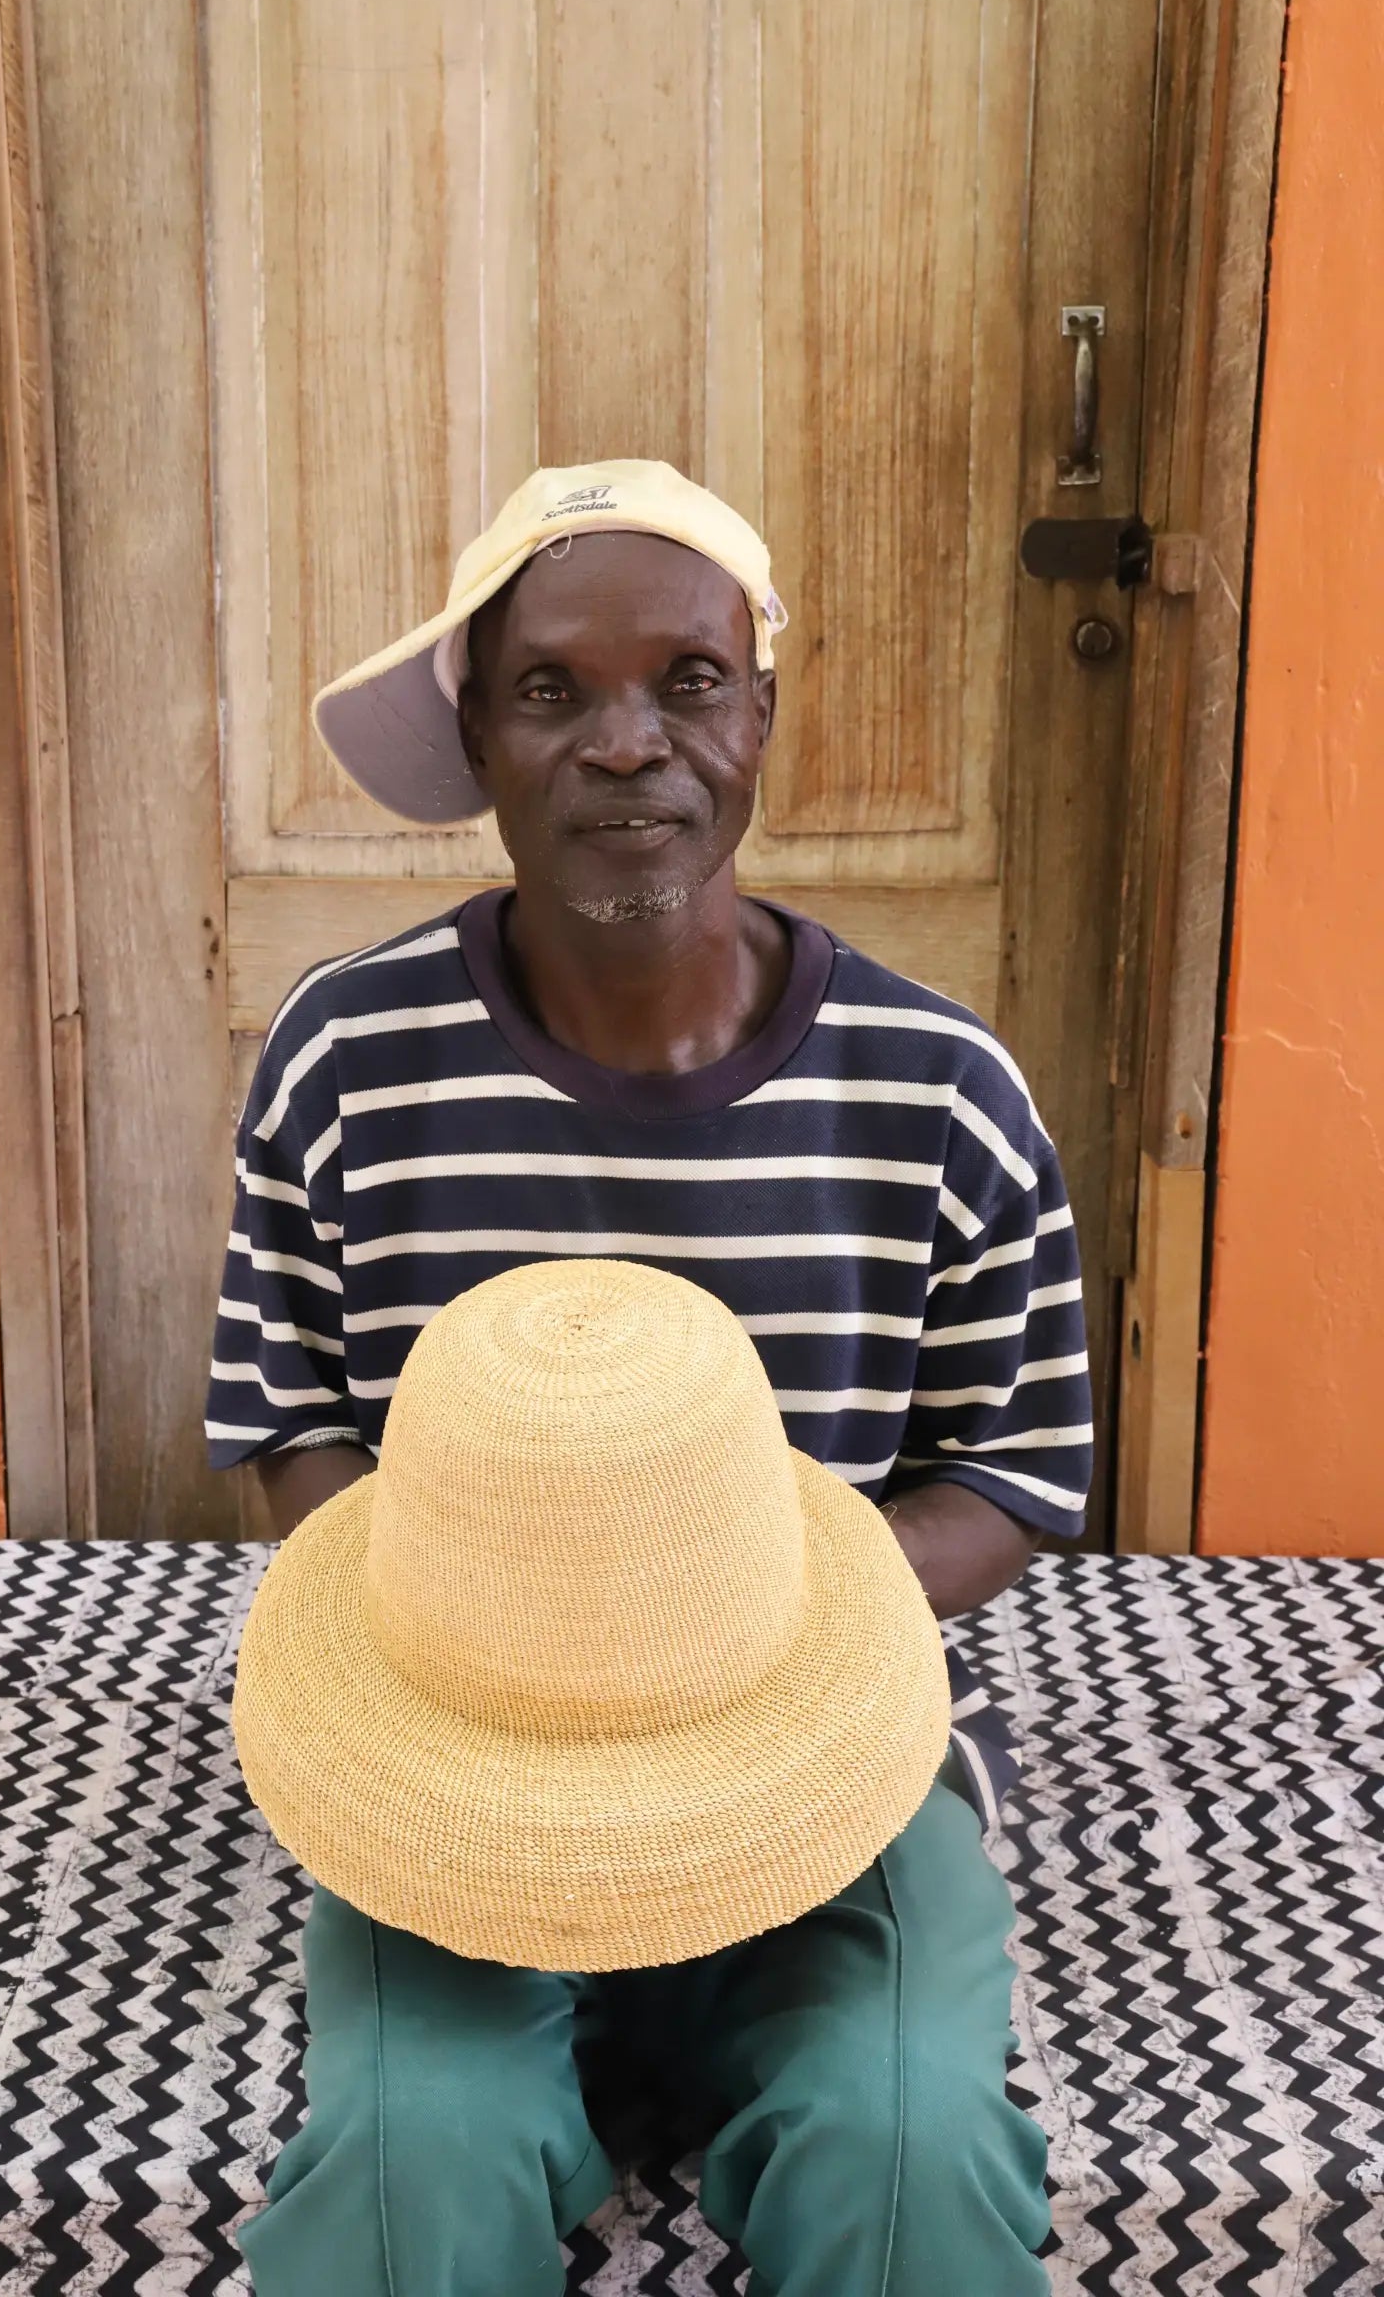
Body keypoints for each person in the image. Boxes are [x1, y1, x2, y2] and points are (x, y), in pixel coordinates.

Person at [207, 459, 1094, 2294]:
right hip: (466, 1768)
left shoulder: (939, 1092)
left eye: (688, 681)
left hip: (829, 1765)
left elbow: (1017, 1466)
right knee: (410, 2167)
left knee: (907, 2155)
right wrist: (511, 1642)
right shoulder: (347, 1060)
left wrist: (739, 1630)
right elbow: (291, 1416)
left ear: (759, 712)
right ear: (478, 733)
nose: (627, 743)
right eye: (553, 689)